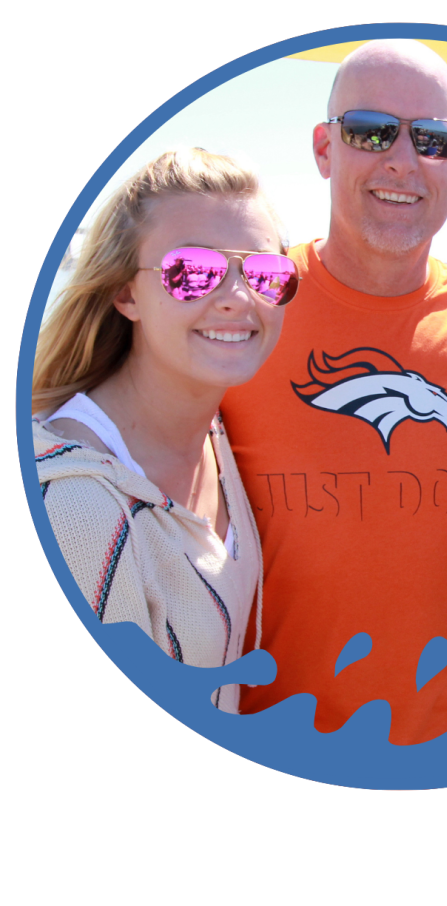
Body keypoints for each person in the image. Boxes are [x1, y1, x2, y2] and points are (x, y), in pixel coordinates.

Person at [221, 39, 447, 744]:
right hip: (265, 736)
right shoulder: (248, 305)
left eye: (432, 139)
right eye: (371, 131)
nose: (402, 160)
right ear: (323, 149)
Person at [33, 149, 300, 713]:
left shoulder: (218, 436)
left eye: (265, 272)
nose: (238, 298)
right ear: (125, 293)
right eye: (193, 271)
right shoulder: (75, 509)